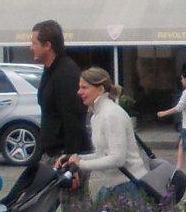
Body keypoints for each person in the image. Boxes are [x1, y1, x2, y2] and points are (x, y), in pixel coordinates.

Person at [65, 67, 153, 203]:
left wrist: (81, 164)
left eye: (84, 87)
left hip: (128, 186)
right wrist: (75, 159)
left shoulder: (111, 114)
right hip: (113, 186)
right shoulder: (97, 115)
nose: (79, 92)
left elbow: (118, 159)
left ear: (100, 89)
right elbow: (103, 155)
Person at [29, 19, 88, 161]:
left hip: (64, 155)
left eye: (34, 43)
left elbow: (73, 119)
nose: (30, 47)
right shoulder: (49, 69)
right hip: (51, 151)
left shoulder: (66, 74)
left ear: (48, 45)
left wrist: (70, 158)